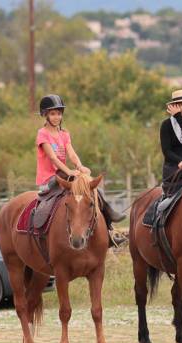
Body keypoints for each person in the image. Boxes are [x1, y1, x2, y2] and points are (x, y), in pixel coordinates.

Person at [36, 94, 126, 245]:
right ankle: (42, 232)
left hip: (64, 174)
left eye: (59, 113)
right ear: (45, 115)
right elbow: (52, 158)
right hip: (50, 178)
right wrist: (70, 172)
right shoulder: (42, 134)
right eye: (52, 113)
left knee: (91, 188)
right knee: (57, 199)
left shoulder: (64, 133)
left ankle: (109, 228)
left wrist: (79, 166)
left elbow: (71, 152)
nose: (56, 117)